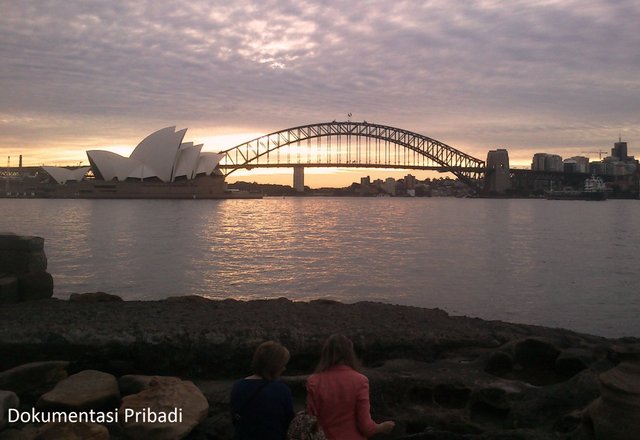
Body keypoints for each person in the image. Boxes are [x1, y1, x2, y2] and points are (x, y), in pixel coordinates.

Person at [306, 334, 395, 439]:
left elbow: (310, 421)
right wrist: (381, 427)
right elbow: (366, 427)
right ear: (349, 353)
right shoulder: (360, 381)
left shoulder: (314, 381)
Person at [230, 341, 294, 440]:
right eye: (282, 364)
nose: (284, 368)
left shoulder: (238, 386)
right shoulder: (282, 390)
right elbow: (288, 422)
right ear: (274, 366)